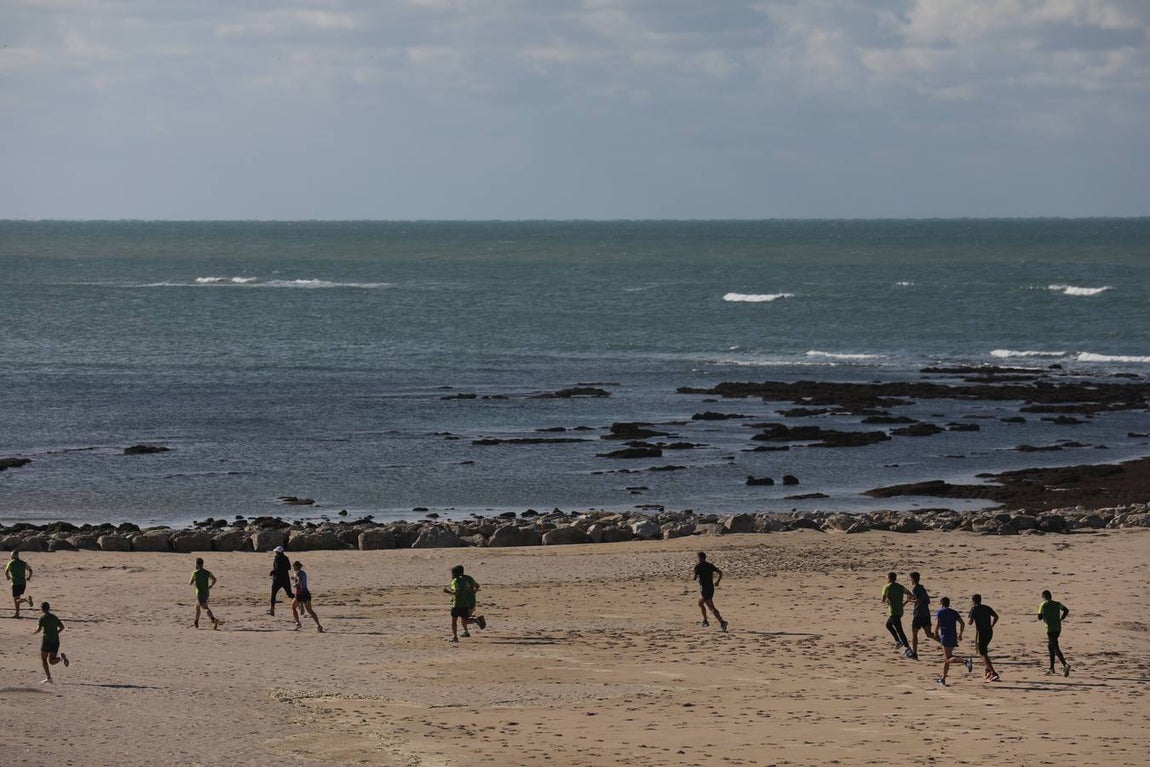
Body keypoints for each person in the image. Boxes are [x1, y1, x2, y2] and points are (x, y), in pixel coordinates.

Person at [933, 596, 972, 685]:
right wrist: (960, 634)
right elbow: (962, 623)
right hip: (953, 636)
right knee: (946, 658)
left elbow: (937, 625)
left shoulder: (940, 612)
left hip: (945, 636)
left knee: (947, 659)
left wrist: (936, 633)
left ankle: (965, 661)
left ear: (942, 603)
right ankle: (942, 679)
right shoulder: (954, 612)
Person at [443, 565, 485, 642]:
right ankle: (467, 631)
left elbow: (457, 592)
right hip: (468, 602)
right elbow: (477, 586)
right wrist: (473, 593)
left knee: (455, 621)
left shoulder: (455, 581)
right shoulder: (468, 578)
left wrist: (448, 592)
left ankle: (455, 637)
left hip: (458, 604)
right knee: (464, 619)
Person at [33, 601, 69, 684]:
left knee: (44, 660)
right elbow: (62, 627)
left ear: (42, 609)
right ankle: (61, 658)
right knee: (52, 661)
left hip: (46, 641)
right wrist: (56, 633)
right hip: (55, 641)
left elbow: (38, 630)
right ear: (48, 608)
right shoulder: (54, 617)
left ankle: (49, 678)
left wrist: (33, 632)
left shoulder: (42, 618)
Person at [1038, 589, 1070, 676]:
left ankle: (1065, 665)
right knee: (1050, 646)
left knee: (1055, 647)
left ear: (1043, 597)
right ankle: (1051, 668)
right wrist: (1061, 618)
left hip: (1050, 628)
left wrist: (1045, 614)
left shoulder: (1043, 604)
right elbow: (1066, 610)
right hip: (1058, 628)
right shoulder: (1057, 603)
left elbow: (1039, 617)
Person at [968, 594, 1000, 681]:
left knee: (983, 653)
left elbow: (970, 622)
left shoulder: (974, 609)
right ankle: (987, 670)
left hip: (981, 632)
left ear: (973, 601)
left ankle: (993, 672)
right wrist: (992, 625)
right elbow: (996, 616)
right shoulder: (986, 607)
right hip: (989, 632)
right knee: (984, 650)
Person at [693, 552, 728, 632]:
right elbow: (720, 572)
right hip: (711, 588)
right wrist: (718, 582)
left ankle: (722, 622)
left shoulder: (698, 566)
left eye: (698, 558)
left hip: (704, 589)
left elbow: (694, 578)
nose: (697, 559)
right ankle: (705, 620)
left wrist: (696, 575)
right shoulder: (710, 565)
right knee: (700, 603)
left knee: (711, 607)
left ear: (700, 558)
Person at [290, 561, 324, 633]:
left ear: (296, 566)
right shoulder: (303, 573)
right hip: (306, 593)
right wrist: (294, 579)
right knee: (310, 611)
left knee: (293, 607)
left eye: (294, 567)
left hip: (300, 593)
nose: (293, 568)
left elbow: (299, 582)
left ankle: (298, 623)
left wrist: (295, 584)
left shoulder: (297, 573)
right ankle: (319, 625)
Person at [881, 572, 910, 653]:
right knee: (888, 625)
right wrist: (905, 602)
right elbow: (910, 594)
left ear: (889, 579)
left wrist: (888, 600)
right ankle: (898, 641)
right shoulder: (900, 587)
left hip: (893, 611)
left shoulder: (887, 587)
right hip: (900, 611)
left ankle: (907, 647)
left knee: (899, 630)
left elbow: (883, 599)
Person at [908, 571, 933, 660]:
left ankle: (914, 653)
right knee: (929, 634)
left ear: (913, 579)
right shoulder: (922, 588)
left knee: (914, 633)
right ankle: (945, 644)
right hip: (926, 613)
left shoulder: (915, 589)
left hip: (918, 614)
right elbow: (928, 600)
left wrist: (911, 601)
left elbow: (918, 601)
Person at [189, 557, 220, 630]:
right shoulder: (207, 572)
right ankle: (196, 622)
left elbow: (190, 583)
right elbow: (215, 579)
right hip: (206, 592)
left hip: (200, 593)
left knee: (205, 608)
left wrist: (195, 582)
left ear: (197, 564)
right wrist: (211, 586)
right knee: (197, 607)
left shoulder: (195, 573)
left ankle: (214, 620)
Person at [5, 551, 35, 619]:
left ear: (12, 556)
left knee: (16, 599)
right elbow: (30, 570)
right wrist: (29, 577)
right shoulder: (23, 563)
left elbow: (6, 571)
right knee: (18, 598)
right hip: (23, 583)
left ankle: (26, 599)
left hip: (15, 583)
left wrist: (8, 577)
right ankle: (17, 613)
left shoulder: (11, 563)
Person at [268, 545, 294, 616]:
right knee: (290, 594)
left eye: (276, 552)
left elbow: (277, 568)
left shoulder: (277, 558)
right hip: (285, 578)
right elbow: (289, 567)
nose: (275, 553)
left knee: (273, 594)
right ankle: (299, 603)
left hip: (277, 579)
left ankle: (272, 610)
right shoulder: (286, 558)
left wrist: (273, 571)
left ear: (278, 552)